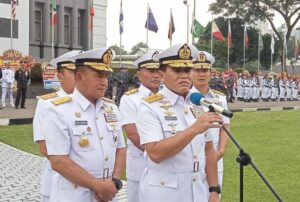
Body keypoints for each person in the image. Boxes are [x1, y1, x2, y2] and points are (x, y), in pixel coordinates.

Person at [136, 43, 222, 202]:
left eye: (188, 70)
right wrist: (194, 129)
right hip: (165, 193)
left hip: (198, 189)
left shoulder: (199, 103)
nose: (184, 76)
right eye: (177, 70)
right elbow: (155, 153)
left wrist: (214, 189)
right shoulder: (149, 107)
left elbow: (209, 149)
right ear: (161, 74)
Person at [43, 48, 126, 202]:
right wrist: (97, 186)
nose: (104, 82)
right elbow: (58, 161)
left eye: (106, 76)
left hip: (106, 194)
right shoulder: (58, 110)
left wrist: (114, 181)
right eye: (99, 76)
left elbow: (120, 148)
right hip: (73, 195)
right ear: (80, 76)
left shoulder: (111, 108)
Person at [33, 50, 81, 202]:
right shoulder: (47, 103)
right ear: (60, 77)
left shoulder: (93, 103)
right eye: (74, 73)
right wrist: (80, 171)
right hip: (58, 177)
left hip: (91, 181)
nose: (80, 77)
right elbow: (44, 147)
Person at [119, 50, 162, 202]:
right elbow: (133, 135)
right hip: (141, 165)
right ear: (138, 74)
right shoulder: (130, 99)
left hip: (168, 171)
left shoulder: (169, 97)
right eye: (151, 71)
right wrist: (163, 153)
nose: (156, 75)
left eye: (159, 70)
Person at [191, 51, 230, 190]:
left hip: (215, 156)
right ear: (191, 72)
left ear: (210, 73)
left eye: (205, 70)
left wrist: (221, 151)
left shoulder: (220, 98)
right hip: (191, 157)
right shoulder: (184, 97)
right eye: (197, 70)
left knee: (214, 195)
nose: (201, 74)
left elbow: (225, 126)